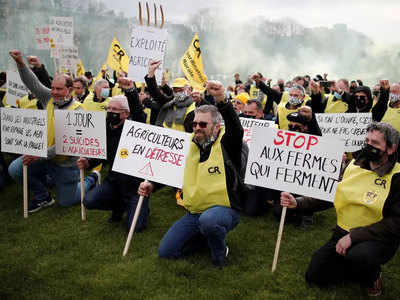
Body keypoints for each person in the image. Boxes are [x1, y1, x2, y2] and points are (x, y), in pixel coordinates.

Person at [281, 122, 400, 296]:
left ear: (391, 148)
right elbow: (332, 194)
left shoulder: (397, 177)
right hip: (342, 233)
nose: (368, 146)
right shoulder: (353, 166)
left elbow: (396, 223)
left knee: (360, 256)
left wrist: (354, 236)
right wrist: (298, 203)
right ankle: (353, 266)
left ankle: (373, 276)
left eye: (375, 143)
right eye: (366, 140)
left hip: (377, 239)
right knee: (314, 276)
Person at [138, 81, 244, 267]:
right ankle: (207, 237)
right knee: (167, 252)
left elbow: (237, 128)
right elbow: (171, 171)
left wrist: (221, 98)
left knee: (209, 221)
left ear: (216, 126)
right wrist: (152, 185)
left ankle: (220, 254)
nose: (197, 127)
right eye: (194, 123)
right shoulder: (187, 143)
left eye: (203, 124)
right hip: (195, 212)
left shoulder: (228, 143)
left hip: (224, 210)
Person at [8, 49, 82, 212]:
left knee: (67, 202)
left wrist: (38, 154)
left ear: (69, 90)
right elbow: (32, 83)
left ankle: (90, 180)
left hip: (65, 165)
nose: (54, 92)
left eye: (59, 89)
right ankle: (43, 196)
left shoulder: (77, 111)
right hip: (43, 157)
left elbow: (64, 145)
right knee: (15, 169)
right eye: (53, 88)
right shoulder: (48, 97)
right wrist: (20, 62)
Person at [77, 83, 148, 229]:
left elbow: (139, 114)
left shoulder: (135, 129)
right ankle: (119, 206)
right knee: (89, 201)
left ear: (126, 113)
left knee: (136, 227)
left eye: (115, 109)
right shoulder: (105, 127)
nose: (110, 112)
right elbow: (103, 153)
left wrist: (131, 91)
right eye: (108, 108)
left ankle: (140, 205)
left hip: (134, 185)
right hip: (114, 180)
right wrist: (88, 162)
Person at [145, 61, 195, 132]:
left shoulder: (194, 108)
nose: (177, 93)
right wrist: (151, 74)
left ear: (189, 89)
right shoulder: (170, 102)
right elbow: (156, 94)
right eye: (175, 90)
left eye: (180, 90)